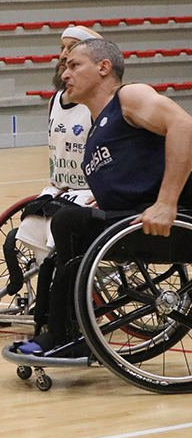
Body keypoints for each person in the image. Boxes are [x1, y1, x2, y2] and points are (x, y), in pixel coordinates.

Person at [16, 38, 192, 356]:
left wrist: (166, 202)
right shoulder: (96, 130)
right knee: (65, 230)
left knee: (70, 221)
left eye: (74, 65)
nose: (64, 73)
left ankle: (63, 337)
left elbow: (183, 125)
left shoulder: (128, 96)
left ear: (103, 67)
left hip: (171, 224)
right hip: (134, 222)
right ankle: (58, 332)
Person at [14, 26, 101, 266]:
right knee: (30, 227)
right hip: (59, 189)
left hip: (88, 193)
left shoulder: (101, 101)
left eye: (71, 48)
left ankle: (67, 290)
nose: (63, 55)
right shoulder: (55, 100)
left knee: (61, 239)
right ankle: (51, 290)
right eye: (61, 48)